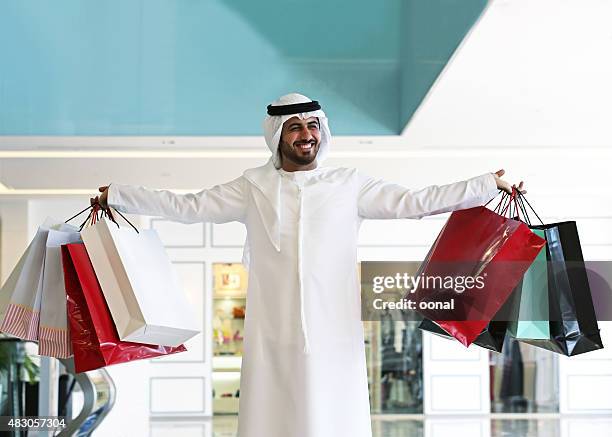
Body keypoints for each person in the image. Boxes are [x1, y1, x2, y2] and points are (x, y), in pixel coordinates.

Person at [92, 93, 525, 437]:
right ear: (278, 134)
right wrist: (121, 195)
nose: (306, 134)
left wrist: (485, 184)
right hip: (271, 332)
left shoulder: (349, 184)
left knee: (333, 414)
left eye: (312, 125)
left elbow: (416, 203)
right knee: (272, 416)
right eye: (295, 126)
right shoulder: (252, 187)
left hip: (333, 329)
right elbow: (185, 206)